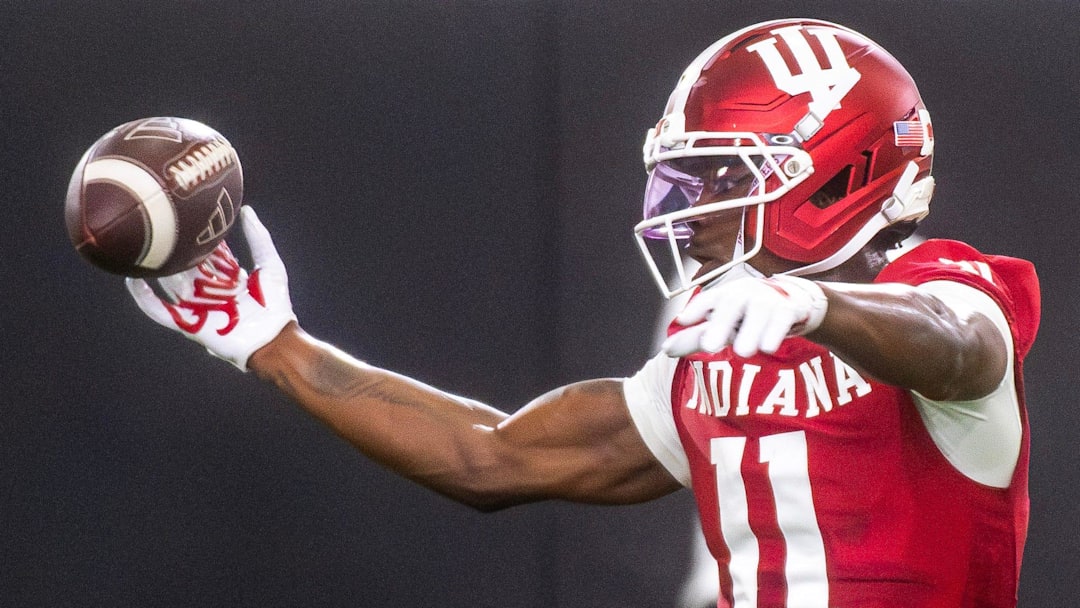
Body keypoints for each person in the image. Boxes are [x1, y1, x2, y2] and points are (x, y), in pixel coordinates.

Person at [126, 18, 1040, 608]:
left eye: (727, 176)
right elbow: (493, 457)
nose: (692, 204)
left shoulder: (945, 300)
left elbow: (957, 345)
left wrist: (811, 302)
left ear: (838, 172)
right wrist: (273, 346)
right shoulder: (720, 355)